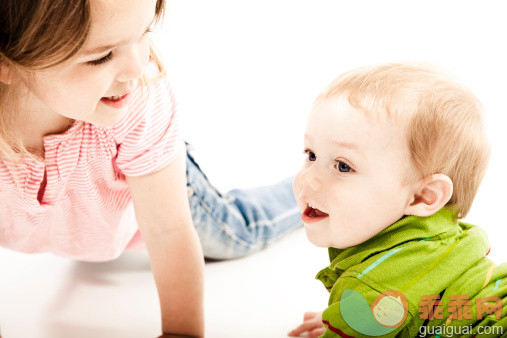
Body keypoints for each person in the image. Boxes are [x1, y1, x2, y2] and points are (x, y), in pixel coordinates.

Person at [0, 0, 301, 337]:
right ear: (6, 62)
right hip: (85, 220)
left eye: (144, 32)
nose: (137, 67)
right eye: (100, 56)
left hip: (155, 183)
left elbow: (169, 229)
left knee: (239, 232)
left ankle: (310, 191)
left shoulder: (138, 101)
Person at [288, 63, 507, 337]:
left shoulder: (371, 290)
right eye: (311, 155)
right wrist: (355, 321)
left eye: (343, 166)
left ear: (423, 196)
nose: (307, 179)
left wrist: (358, 316)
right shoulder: (437, 239)